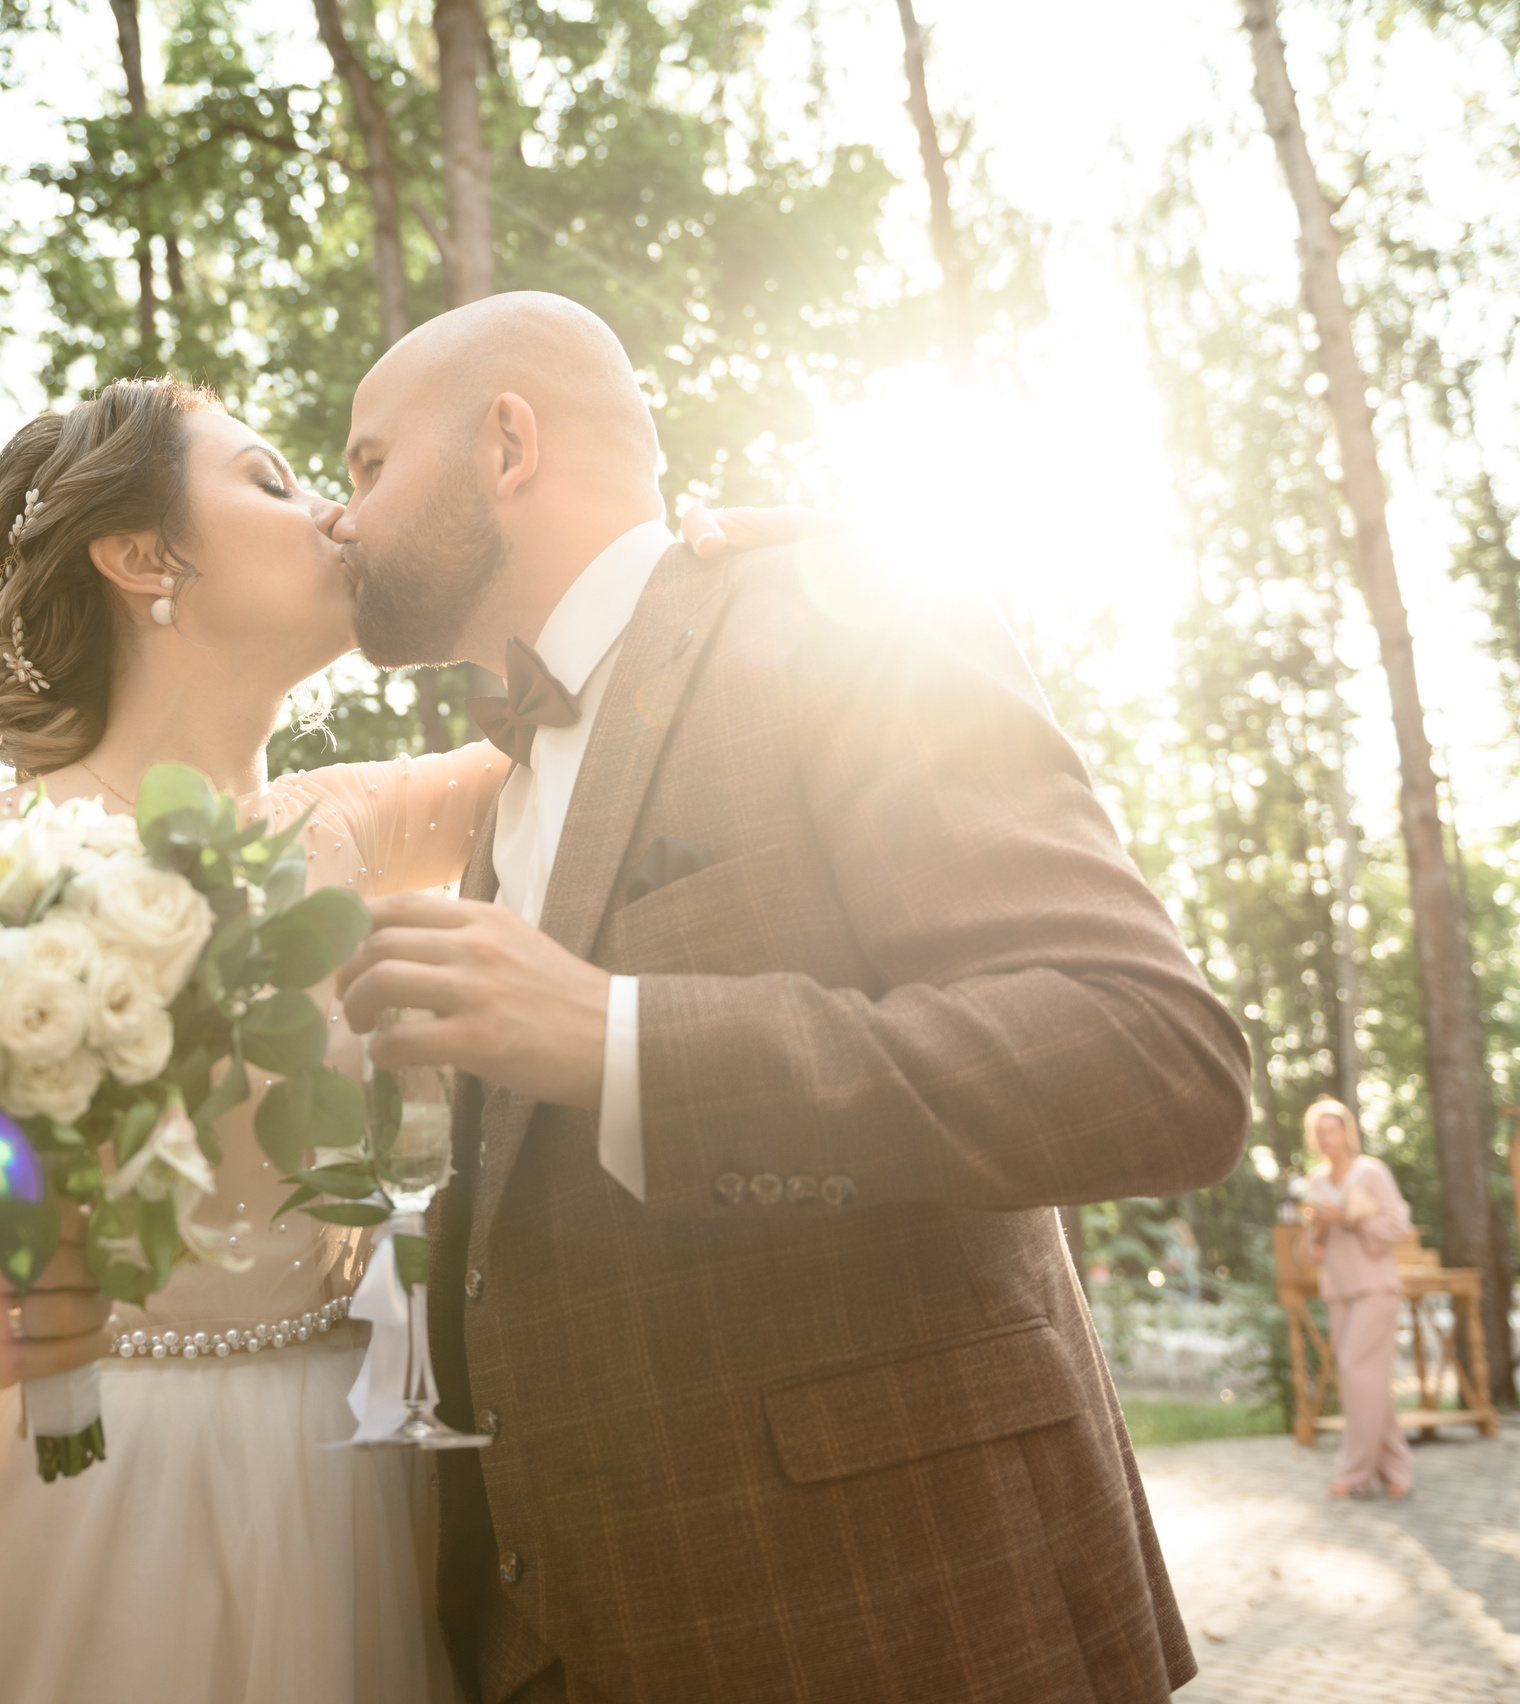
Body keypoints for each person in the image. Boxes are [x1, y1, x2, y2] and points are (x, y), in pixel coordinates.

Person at [326, 292, 1252, 1702]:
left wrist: (623, 1040)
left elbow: (1155, 1058)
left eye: (367, 463)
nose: (342, 518)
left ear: (508, 442)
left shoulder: (848, 611)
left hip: (891, 1621)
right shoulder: (505, 796)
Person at [0, 376, 508, 1702]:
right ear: (143, 556)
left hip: (353, 1484)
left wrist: (720, 567)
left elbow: (614, 709)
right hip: (96, 1492)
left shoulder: (344, 825)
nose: (337, 513)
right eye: (275, 481)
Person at [1299, 1096, 1413, 1500]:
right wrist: (1321, 1226)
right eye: (1320, 1132)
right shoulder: (1315, 1181)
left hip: (1376, 1286)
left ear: (1348, 1131)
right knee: (1367, 1383)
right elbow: (1314, 1249)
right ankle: (1396, 1471)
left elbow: (1397, 1224)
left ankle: (1353, 1472)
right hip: (1338, 1288)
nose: (1327, 1138)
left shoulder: (1372, 1172)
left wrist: (1348, 1217)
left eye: (1333, 1129)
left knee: (1353, 1369)